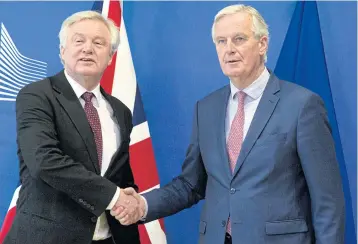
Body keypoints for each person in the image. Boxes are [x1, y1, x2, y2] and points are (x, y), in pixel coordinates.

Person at [112, 4, 345, 244]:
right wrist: (142, 204)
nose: (229, 49)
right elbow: (191, 184)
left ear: (262, 44)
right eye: (221, 41)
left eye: (239, 39)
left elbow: (327, 200)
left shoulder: (302, 105)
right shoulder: (206, 108)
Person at [4, 10, 143, 244]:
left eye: (99, 43)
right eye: (79, 41)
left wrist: (132, 202)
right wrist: (115, 196)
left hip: (109, 237)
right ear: (62, 52)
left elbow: (119, 175)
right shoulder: (37, 96)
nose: (88, 48)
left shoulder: (120, 111)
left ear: (110, 57)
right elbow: (44, 161)